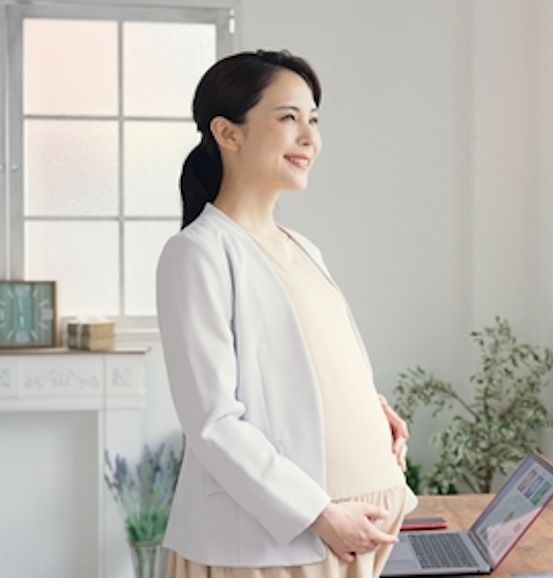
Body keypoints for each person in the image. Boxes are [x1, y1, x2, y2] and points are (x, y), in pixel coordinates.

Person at [156, 49, 414, 578]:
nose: (309, 137)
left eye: (313, 119)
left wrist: (370, 408)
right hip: (279, 545)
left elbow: (302, 368)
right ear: (228, 133)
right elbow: (213, 422)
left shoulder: (301, 246)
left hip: (351, 536)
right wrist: (320, 514)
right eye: (288, 117)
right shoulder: (198, 253)